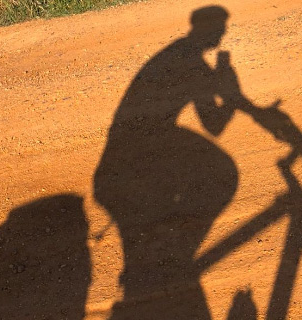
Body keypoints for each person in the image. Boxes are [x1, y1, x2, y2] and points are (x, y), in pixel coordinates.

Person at [94, 6, 242, 319]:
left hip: (117, 161)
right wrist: (231, 94)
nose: (223, 34)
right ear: (207, 31)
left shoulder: (177, 52)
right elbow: (215, 124)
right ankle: (181, 255)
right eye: (220, 29)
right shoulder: (194, 64)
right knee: (225, 173)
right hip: (131, 165)